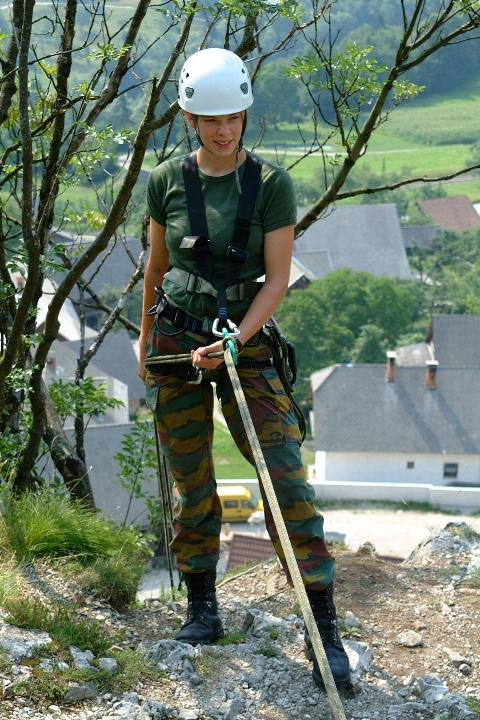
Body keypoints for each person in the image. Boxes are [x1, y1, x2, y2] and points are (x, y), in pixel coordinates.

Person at [139, 47, 351, 690]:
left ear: (245, 115)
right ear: (189, 118)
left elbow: (278, 277)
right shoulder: (165, 181)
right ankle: (202, 606)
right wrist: (146, 338)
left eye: (233, 116)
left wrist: (237, 339)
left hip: (247, 339)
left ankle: (322, 626)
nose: (224, 129)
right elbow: (156, 267)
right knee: (192, 477)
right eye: (211, 119)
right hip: (178, 339)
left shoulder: (271, 184)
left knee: (285, 477)